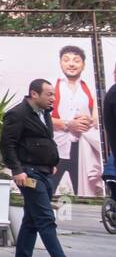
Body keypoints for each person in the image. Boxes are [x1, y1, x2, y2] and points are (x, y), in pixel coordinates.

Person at [0, 79, 95, 257]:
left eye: (53, 94)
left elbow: (44, 140)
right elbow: (8, 145)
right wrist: (17, 170)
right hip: (29, 173)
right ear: (34, 94)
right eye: (49, 94)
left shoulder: (45, 113)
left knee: (32, 220)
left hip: (43, 172)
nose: (53, 98)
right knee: (45, 219)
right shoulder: (17, 114)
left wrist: (51, 162)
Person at [51, 44, 103, 198]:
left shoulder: (90, 88)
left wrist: (90, 120)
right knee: (47, 191)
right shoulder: (51, 85)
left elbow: (97, 116)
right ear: (61, 63)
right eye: (66, 60)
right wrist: (67, 124)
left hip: (81, 148)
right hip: (56, 147)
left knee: (86, 193)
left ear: (83, 64)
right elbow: (40, 116)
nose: (71, 64)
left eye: (76, 60)